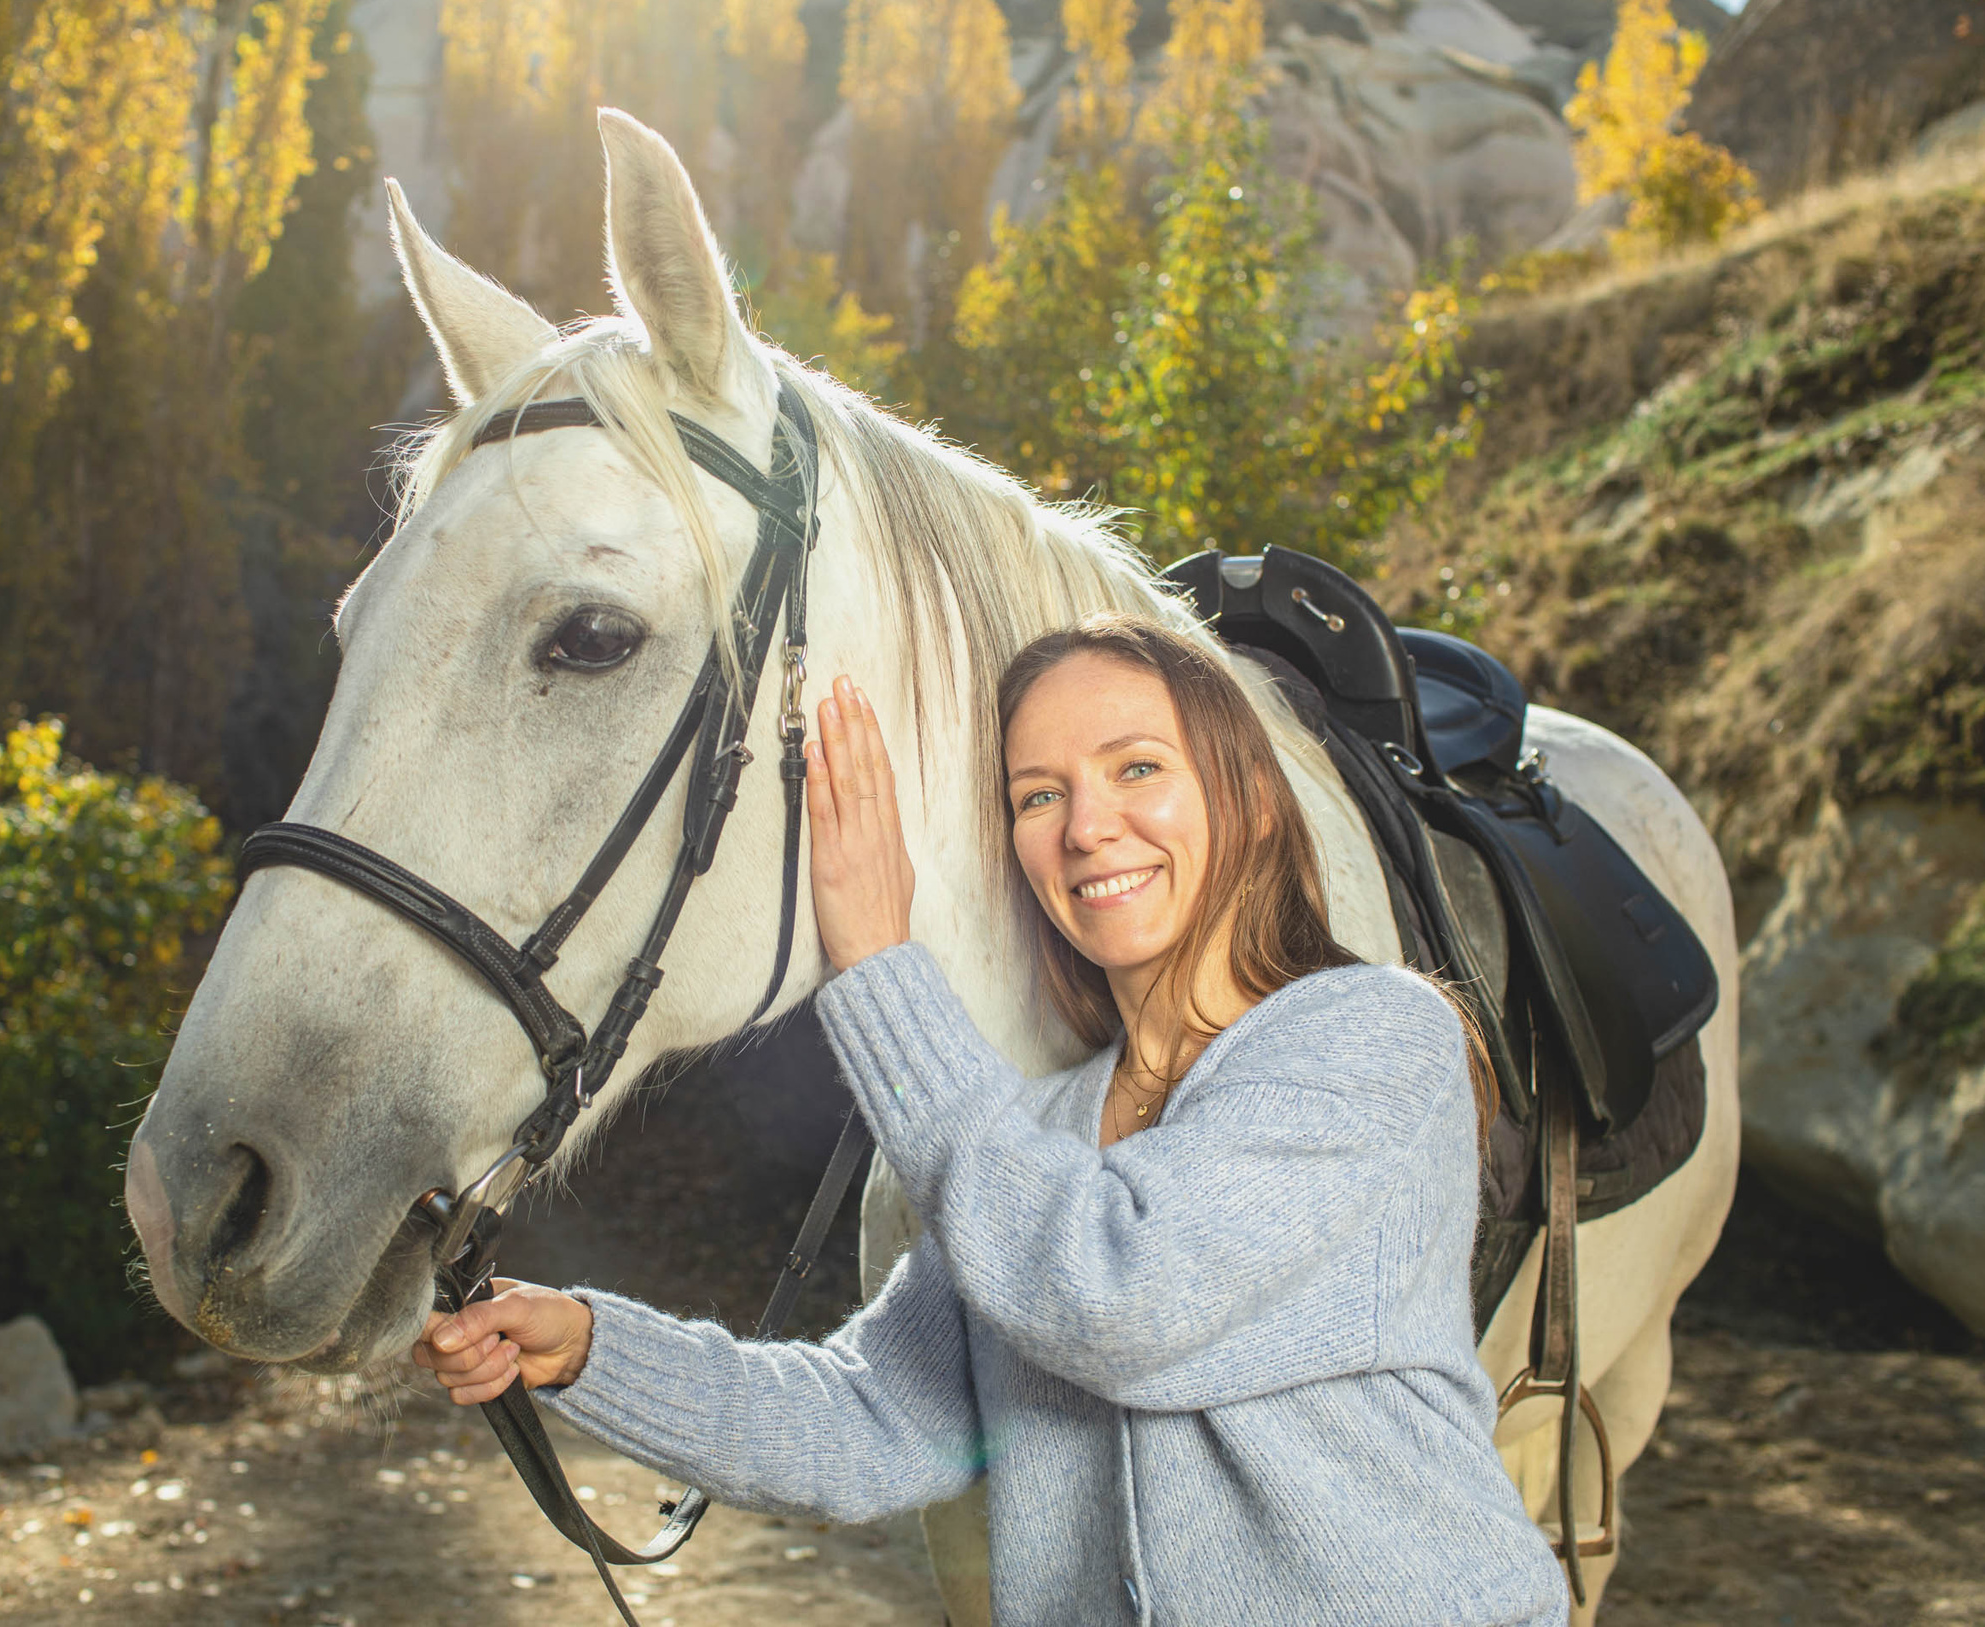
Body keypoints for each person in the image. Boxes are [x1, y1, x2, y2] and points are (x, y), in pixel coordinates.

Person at [413, 613, 1567, 1626]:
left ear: (1252, 803)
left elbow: (1120, 1297)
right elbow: (872, 1419)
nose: (1086, 826)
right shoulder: (1035, 1137)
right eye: (1039, 794)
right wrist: (591, 1349)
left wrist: (875, 964)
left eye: (1136, 768)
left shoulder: (1370, 1038)